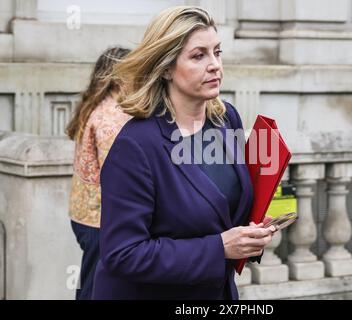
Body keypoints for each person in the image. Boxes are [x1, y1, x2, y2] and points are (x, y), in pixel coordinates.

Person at [92, 6, 275, 300]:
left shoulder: (227, 119)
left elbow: (223, 211)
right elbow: (122, 253)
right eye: (198, 55)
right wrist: (219, 248)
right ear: (165, 68)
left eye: (218, 51)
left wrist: (250, 236)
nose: (215, 64)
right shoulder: (136, 145)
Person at [66, 46, 131, 300]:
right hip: (99, 218)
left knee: (90, 280)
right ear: (117, 76)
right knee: (96, 286)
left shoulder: (97, 105)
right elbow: (117, 171)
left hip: (85, 216)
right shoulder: (111, 117)